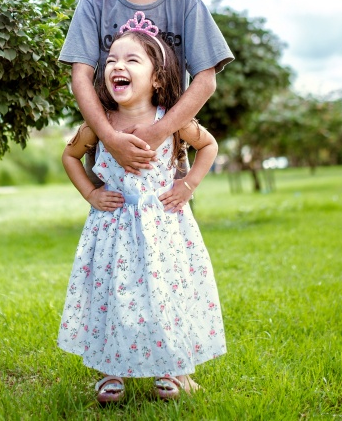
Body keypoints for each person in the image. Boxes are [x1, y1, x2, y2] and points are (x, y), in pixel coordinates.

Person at [59, 28, 226, 403]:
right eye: (112, 60)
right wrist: (91, 192)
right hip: (113, 229)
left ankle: (171, 369)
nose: (118, 65)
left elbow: (209, 145)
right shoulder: (99, 126)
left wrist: (189, 184)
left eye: (132, 60)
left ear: (156, 77)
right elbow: (69, 156)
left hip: (164, 228)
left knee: (164, 294)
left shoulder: (174, 120)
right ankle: (111, 371)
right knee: (112, 294)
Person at [59, 0, 233, 182]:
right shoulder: (93, 2)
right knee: (112, 225)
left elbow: (206, 80)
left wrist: (158, 132)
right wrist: (111, 139)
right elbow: (80, 78)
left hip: (166, 163)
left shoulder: (184, 2)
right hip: (109, 162)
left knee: (168, 226)